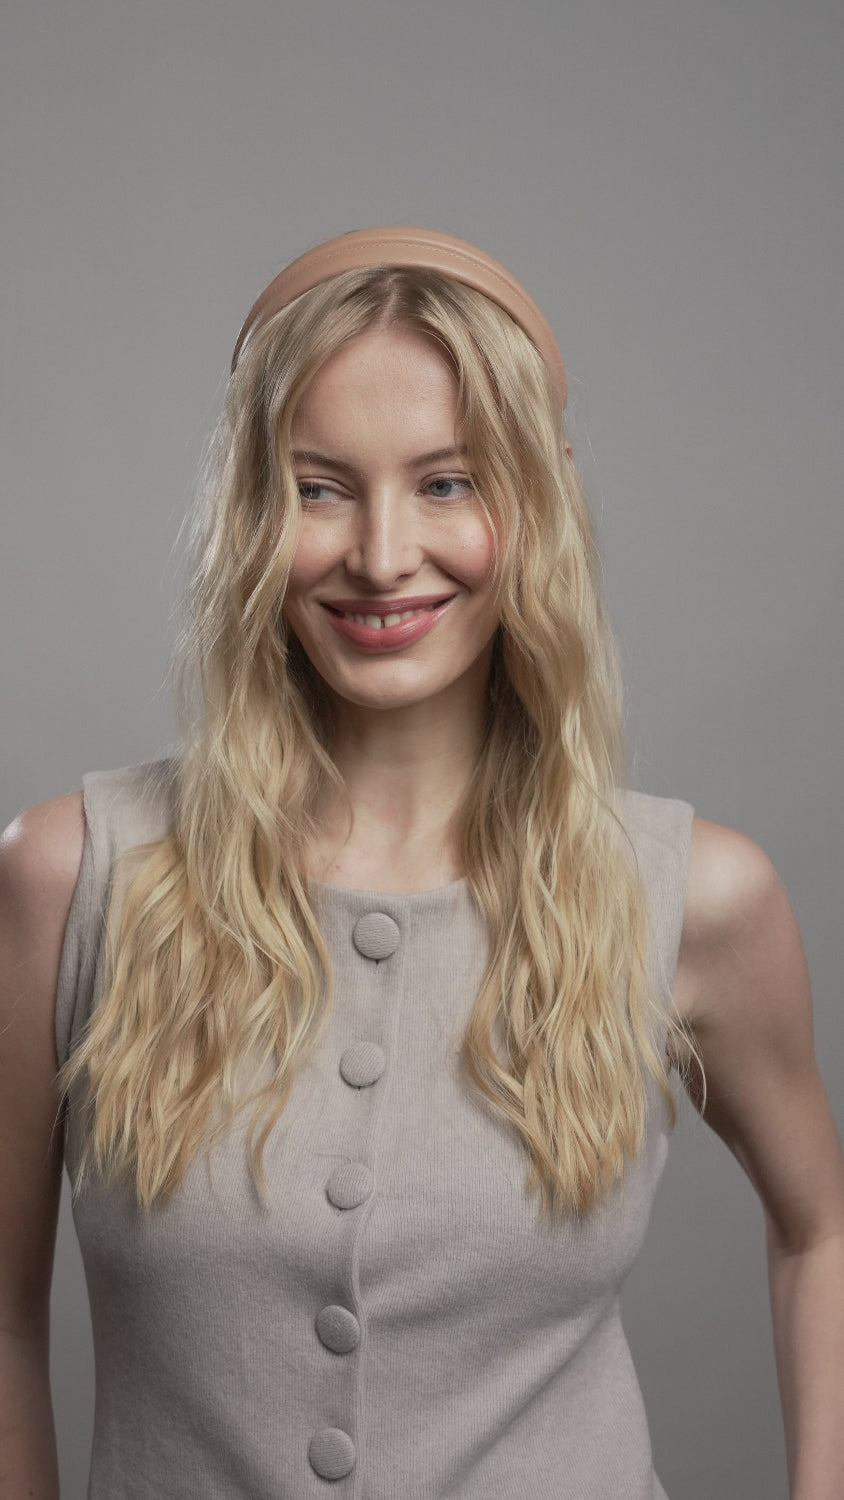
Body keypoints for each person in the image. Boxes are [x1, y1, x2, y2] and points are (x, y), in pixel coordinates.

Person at [1, 226, 842, 1500]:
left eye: (448, 483)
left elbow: (823, 1227)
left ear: (535, 506)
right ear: (252, 513)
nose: (382, 556)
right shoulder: (72, 878)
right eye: (320, 487)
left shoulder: (694, 897)